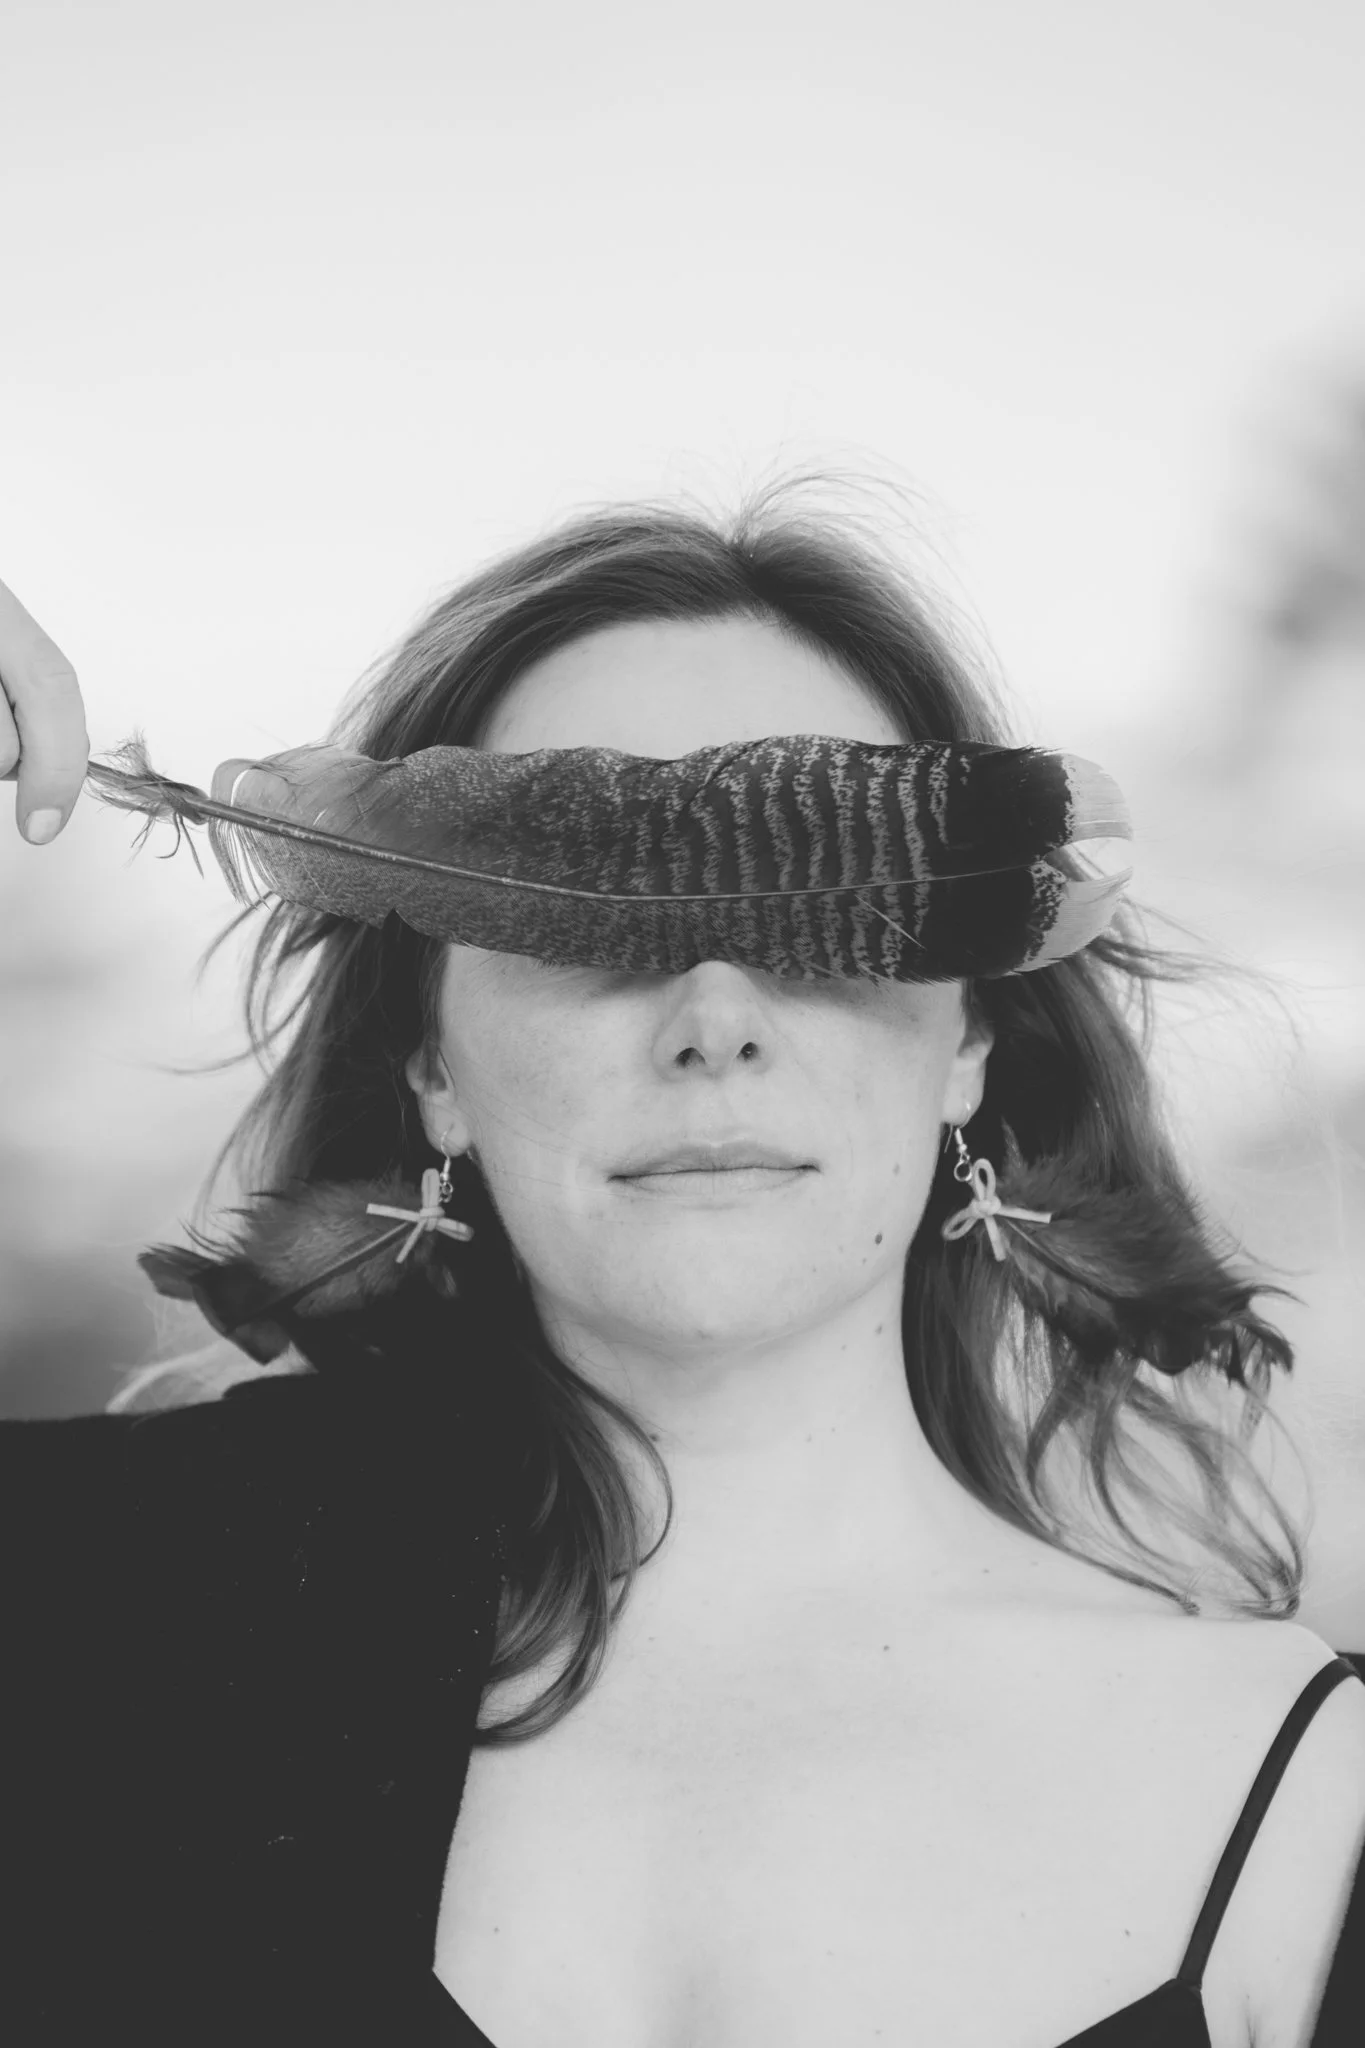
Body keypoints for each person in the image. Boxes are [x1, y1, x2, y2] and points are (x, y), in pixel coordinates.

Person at [2, 482, 1363, 2048]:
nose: (714, 1016)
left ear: (969, 1036)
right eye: (588, 902)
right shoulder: (72, 1623)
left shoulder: (1308, 1805)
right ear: (434, 1062)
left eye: (818, 901)